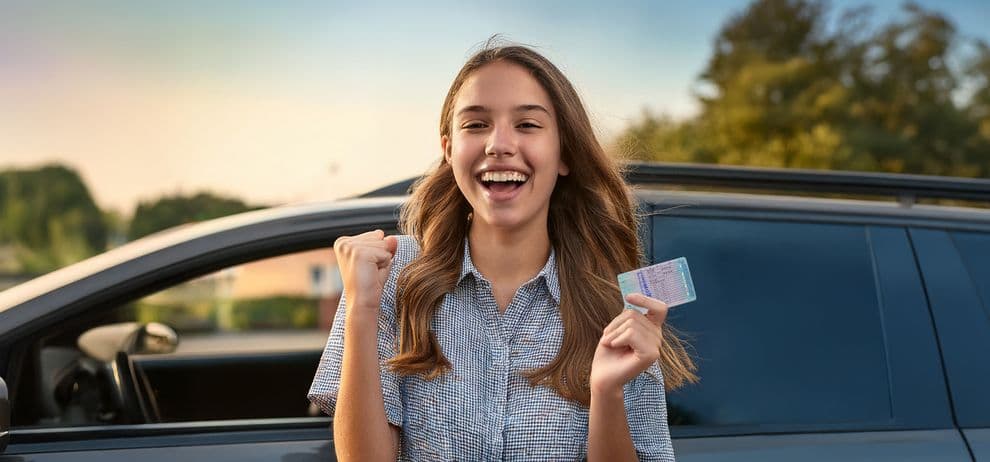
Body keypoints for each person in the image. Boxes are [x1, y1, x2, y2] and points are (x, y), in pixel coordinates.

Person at [308, 40, 697, 461]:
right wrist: (361, 311)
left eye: (527, 125)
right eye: (475, 125)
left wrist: (606, 392)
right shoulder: (387, 275)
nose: (498, 144)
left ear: (563, 152)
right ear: (448, 149)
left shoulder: (618, 307)